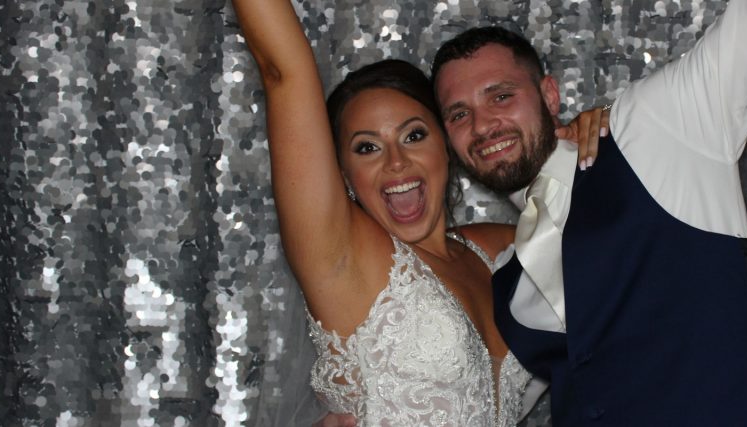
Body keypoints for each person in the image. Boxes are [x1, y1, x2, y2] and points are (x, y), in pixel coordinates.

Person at [431, 0, 747, 425]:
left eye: (501, 96)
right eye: (459, 114)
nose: (483, 125)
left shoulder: (655, 125)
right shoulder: (508, 277)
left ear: (549, 95)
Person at [231, 0, 605, 424]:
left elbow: (609, 246)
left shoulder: (500, 247)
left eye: (413, 135)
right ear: (341, 175)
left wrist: (588, 135)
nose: (395, 162)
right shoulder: (344, 257)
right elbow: (282, 72)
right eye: (367, 147)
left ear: (447, 145)